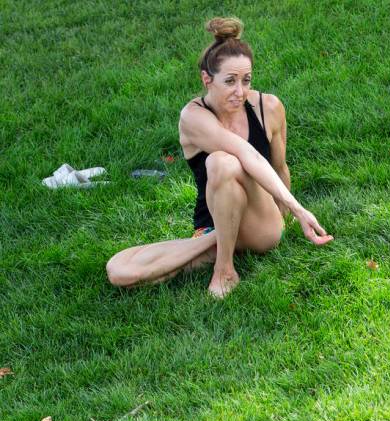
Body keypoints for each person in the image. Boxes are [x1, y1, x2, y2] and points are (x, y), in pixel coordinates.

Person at [106, 17, 332, 299]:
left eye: (246, 80)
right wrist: (298, 211)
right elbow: (245, 152)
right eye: (230, 81)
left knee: (220, 161)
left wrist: (289, 213)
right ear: (206, 79)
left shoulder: (269, 107)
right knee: (121, 273)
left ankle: (225, 269)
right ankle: (223, 242)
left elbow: (279, 167)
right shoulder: (194, 116)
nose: (240, 92)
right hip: (211, 226)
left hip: (262, 224)